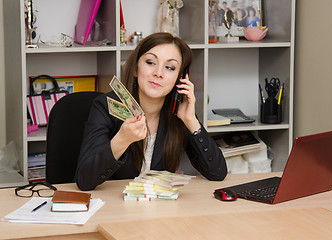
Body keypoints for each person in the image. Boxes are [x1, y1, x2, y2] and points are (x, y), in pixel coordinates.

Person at [75, 32, 227, 191]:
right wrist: (122, 139)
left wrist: (191, 121)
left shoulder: (179, 113)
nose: (159, 73)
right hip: (114, 206)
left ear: (179, 78)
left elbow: (217, 173)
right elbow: (84, 180)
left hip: (158, 208)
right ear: (135, 68)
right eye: (150, 62)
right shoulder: (105, 106)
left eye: (170, 67)